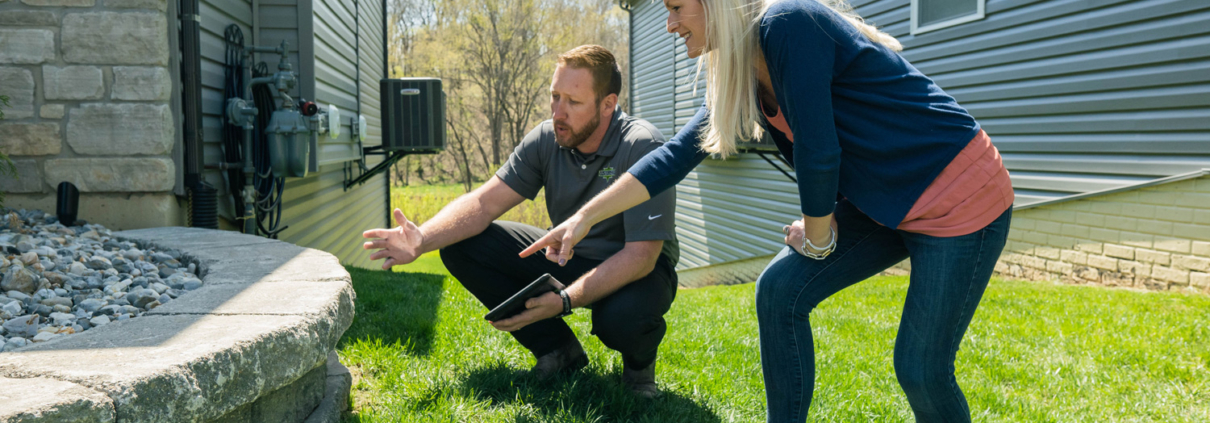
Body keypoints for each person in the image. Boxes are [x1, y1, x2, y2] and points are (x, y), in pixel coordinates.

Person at [520, 0, 1014, 421]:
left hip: (958, 192)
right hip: (886, 200)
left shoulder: (788, 23)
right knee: (779, 291)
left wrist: (818, 232)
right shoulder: (741, 68)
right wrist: (582, 218)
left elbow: (820, 148)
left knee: (921, 368)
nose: (669, 24)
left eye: (676, 7)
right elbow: (673, 157)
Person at [361, 45, 680, 398]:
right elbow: (483, 203)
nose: (558, 112)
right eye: (555, 97)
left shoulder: (642, 145)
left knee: (621, 319)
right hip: (568, 255)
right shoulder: (547, 138)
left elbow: (642, 256)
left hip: (638, 269)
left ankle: (638, 372)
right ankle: (558, 350)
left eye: (573, 102)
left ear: (608, 104)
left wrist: (565, 300)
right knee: (460, 245)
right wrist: (422, 238)